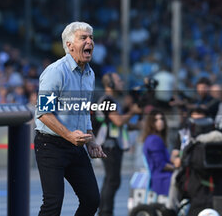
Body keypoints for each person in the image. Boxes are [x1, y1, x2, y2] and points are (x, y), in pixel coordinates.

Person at [34, 21, 106, 216]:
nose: (90, 41)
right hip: (50, 144)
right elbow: (43, 113)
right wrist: (69, 135)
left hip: (75, 143)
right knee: (53, 204)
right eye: (83, 38)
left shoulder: (89, 73)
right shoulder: (55, 72)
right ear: (69, 45)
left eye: (91, 38)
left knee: (92, 200)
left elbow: (83, 111)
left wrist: (90, 139)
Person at [97, 72, 141, 216]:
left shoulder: (113, 101)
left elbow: (119, 124)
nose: (121, 83)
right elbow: (118, 121)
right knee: (112, 180)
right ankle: (105, 212)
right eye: (119, 80)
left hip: (114, 144)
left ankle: (104, 211)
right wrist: (133, 112)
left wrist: (137, 125)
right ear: (110, 84)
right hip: (109, 145)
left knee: (111, 180)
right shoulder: (107, 101)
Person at [142, 109, 173, 196]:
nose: (160, 122)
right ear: (151, 123)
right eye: (156, 120)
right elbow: (161, 164)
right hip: (161, 177)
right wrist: (177, 168)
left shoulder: (154, 138)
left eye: (162, 119)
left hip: (161, 175)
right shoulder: (154, 140)